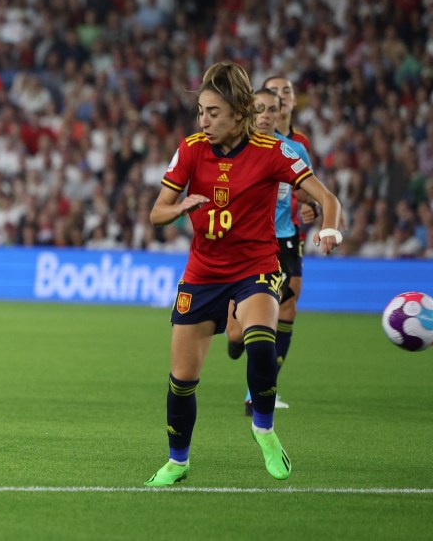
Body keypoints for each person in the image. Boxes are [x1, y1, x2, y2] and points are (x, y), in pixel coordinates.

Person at [144, 62, 342, 486]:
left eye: (213, 112)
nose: (204, 120)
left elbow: (325, 195)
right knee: (181, 381)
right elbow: (157, 211)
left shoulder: (272, 151)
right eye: (200, 111)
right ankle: (178, 461)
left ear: (238, 111)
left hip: (255, 266)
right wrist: (179, 208)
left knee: (259, 340)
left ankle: (264, 429)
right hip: (202, 273)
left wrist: (329, 225)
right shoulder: (192, 148)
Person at [225, 88, 318, 415]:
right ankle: (235, 337)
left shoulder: (293, 150)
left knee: (280, 313)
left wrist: (311, 208)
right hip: (246, 241)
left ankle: (259, 392)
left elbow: (307, 192)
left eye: (272, 110)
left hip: (284, 240)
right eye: (260, 109)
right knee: (238, 331)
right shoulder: (234, 147)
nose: (266, 115)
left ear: (281, 113)